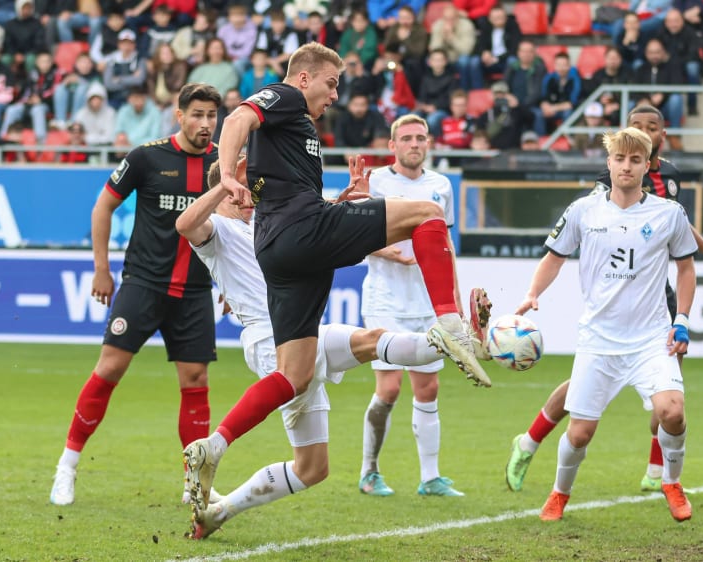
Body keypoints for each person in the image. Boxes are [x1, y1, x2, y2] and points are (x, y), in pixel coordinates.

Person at [182, 42, 491, 518]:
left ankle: (216, 446)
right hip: (298, 233)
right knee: (429, 213)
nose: (334, 96)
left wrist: (340, 207)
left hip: (284, 250)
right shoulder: (284, 97)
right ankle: (450, 323)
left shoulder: (291, 135)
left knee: (296, 376)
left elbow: (286, 195)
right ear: (304, 78)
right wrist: (226, 173)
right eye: (331, 84)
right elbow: (238, 119)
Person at [175, 159, 464, 539]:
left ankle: (219, 513)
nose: (251, 198)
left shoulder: (261, 227)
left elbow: (305, 232)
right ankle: (456, 340)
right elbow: (185, 225)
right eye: (245, 190)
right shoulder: (219, 230)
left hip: (301, 331)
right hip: (272, 338)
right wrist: (225, 183)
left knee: (311, 469)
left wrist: (340, 205)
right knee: (372, 341)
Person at [504, 104, 703, 495]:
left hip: (658, 295)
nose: (643, 133)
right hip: (607, 306)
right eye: (635, 127)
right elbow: (600, 228)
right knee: (580, 394)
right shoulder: (600, 190)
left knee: (668, 398)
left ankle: (658, 470)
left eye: (650, 128)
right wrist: (533, 292)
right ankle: (530, 441)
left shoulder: (669, 178)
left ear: (660, 136)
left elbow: (677, 224)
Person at [48, 83, 222, 507]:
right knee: (109, 369)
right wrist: (102, 270)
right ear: (178, 116)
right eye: (196, 114)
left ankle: (195, 482)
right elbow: (103, 206)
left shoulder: (224, 163)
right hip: (144, 284)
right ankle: (66, 467)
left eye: (211, 116)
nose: (204, 123)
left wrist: (233, 283)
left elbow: (237, 224)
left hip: (195, 290)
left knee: (196, 381)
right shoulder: (147, 156)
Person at [358, 115, 490, 499]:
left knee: (428, 388)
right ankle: (369, 471)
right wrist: (389, 253)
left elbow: (444, 247)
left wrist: (456, 304)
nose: (415, 144)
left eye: (421, 138)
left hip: (428, 302)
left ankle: (430, 477)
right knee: (389, 389)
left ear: (429, 144)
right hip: (385, 297)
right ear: (392, 145)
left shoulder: (440, 185)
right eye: (407, 138)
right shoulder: (378, 181)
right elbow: (355, 237)